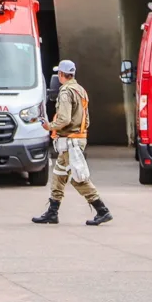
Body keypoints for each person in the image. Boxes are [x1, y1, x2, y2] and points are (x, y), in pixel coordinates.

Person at [32, 60, 113, 226]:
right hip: (76, 139)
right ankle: (52, 212)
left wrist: (49, 126)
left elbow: (64, 118)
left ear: (61, 74)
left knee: (78, 178)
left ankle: (102, 210)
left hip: (71, 142)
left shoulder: (65, 92)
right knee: (59, 176)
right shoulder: (81, 90)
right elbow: (86, 119)